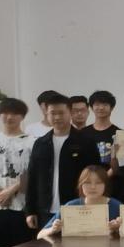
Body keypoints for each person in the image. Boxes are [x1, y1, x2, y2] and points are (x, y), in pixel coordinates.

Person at [23, 93, 102, 231]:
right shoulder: (40, 143)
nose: (57, 117)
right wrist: (30, 211)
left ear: (70, 113)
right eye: (53, 113)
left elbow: (95, 176)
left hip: (78, 207)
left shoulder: (85, 142)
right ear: (47, 114)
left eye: (61, 113)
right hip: (45, 210)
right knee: (45, 244)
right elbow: (32, 177)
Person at [0, 97, 35, 247]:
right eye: (5, 113)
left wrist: (10, 191)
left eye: (15, 113)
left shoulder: (33, 142)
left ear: (22, 116)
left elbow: (34, 172)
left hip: (22, 205)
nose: (9, 117)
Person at [37, 165, 122, 238]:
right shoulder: (71, 206)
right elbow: (40, 235)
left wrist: (118, 229)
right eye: (87, 182)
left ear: (105, 185)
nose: (93, 187)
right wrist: (53, 229)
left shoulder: (117, 206)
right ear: (81, 185)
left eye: (98, 182)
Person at [80, 90, 118, 166]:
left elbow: (121, 162)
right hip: (87, 173)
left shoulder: (118, 133)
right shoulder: (82, 133)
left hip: (110, 173)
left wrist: (108, 173)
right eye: (97, 104)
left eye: (105, 104)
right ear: (91, 107)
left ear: (112, 108)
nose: (101, 108)